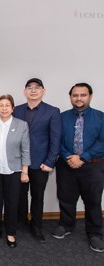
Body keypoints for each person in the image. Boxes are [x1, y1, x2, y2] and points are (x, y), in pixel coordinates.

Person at [51, 83, 104, 253]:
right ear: (70, 97)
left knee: (93, 201)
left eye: (83, 95)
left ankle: (94, 233)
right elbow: (55, 140)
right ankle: (66, 224)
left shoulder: (101, 117)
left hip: (93, 166)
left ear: (90, 96)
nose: (79, 98)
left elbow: (103, 142)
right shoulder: (61, 117)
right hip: (66, 165)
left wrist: (82, 157)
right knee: (66, 197)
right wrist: (69, 156)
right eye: (75, 95)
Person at [13, 78, 61, 243]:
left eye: (37, 88)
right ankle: (20, 223)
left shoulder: (53, 111)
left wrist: (50, 162)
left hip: (41, 163)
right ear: (24, 91)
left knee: (37, 196)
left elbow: (55, 139)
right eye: (29, 88)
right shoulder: (16, 110)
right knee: (20, 195)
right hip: (19, 163)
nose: (33, 90)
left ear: (43, 91)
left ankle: (36, 226)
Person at [0, 94, 30, 248]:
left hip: (14, 170)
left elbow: (25, 150)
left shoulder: (21, 125)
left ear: (12, 108)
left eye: (7, 105)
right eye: (1, 105)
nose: (4, 108)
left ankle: (11, 233)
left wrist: (25, 171)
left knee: (12, 202)